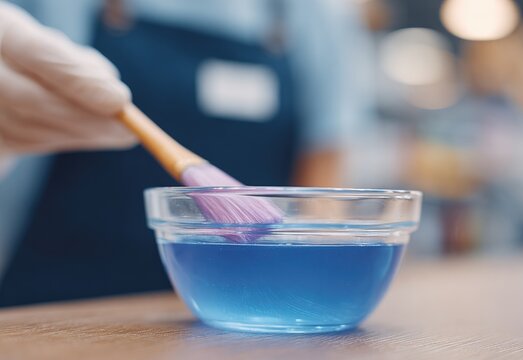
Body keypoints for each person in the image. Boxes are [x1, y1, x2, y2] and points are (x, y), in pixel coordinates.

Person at [0, 0, 372, 306]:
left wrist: (301, 288)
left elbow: (324, 167)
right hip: (60, 299)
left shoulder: (310, 14)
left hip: (242, 300)